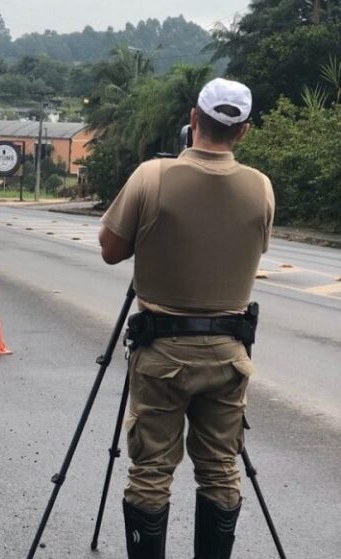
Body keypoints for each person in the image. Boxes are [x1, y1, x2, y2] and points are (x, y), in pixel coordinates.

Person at [98, 78, 275, 559]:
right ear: (243, 132)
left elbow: (111, 250)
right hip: (229, 354)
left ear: (193, 120)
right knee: (220, 468)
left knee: (151, 471)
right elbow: (252, 248)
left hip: (162, 352)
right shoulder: (261, 187)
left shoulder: (151, 177)